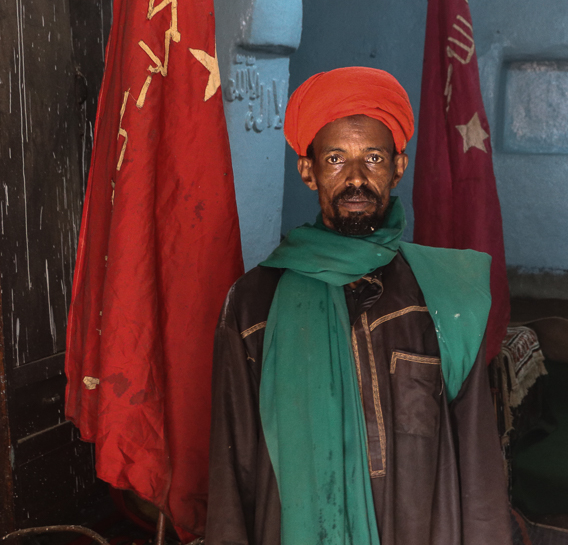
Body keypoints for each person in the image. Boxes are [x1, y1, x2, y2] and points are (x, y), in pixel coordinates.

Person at [206, 66, 509, 545]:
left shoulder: (443, 294)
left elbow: (478, 460)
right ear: (308, 171)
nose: (355, 179)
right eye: (334, 158)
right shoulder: (254, 304)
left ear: (397, 167)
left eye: (372, 157)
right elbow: (232, 465)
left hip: (424, 528)